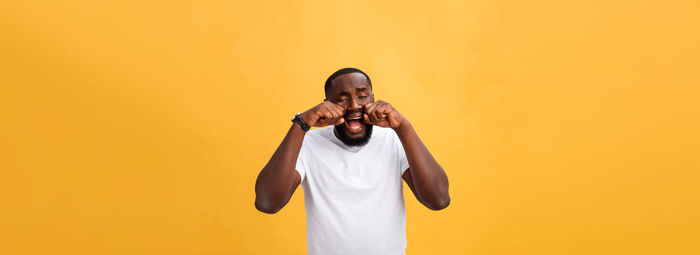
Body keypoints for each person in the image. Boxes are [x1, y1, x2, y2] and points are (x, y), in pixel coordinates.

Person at [254, 68, 450, 255]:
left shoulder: (393, 140)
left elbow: (438, 200)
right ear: (326, 105)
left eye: (363, 96)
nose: (354, 105)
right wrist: (301, 124)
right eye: (341, 99)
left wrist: (403, 127)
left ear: (374, 99)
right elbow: (267, 202)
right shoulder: (308, 144)